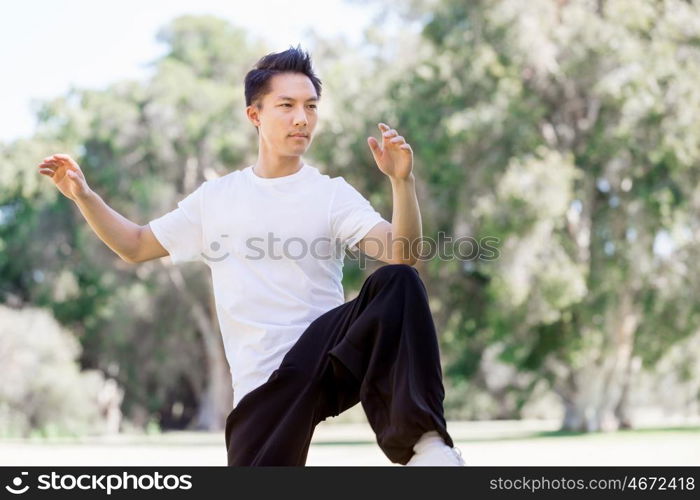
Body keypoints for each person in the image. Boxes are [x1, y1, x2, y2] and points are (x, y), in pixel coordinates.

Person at [37, 46, 464, 466]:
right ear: (254, 115)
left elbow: (404, 257)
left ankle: (428, 449)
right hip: (263, 385)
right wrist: (84, 196)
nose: (302, 117)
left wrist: (401, 182)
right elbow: (134, 244)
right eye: (287, 105)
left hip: (327, 357)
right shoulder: (217, 199)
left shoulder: (330, 194)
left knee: (398, 282)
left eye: (311, 106)